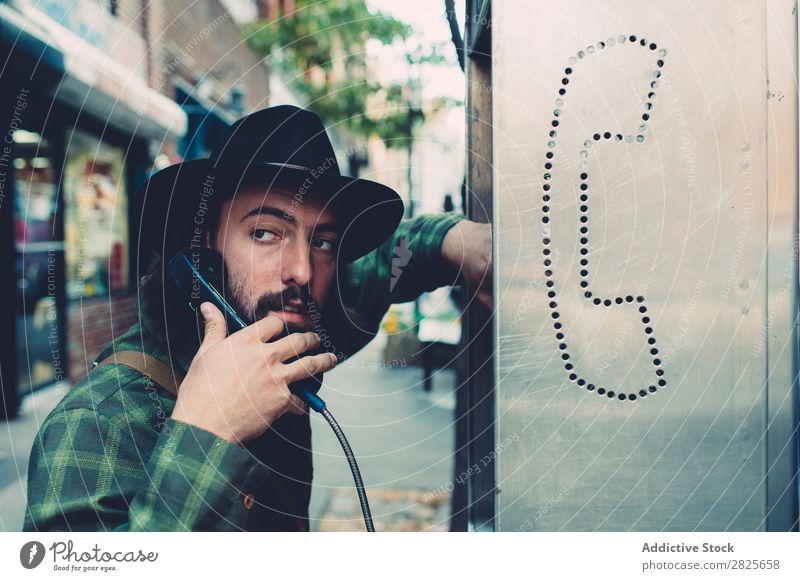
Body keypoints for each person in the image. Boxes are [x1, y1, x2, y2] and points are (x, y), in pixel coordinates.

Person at [23, 105, 491, 532]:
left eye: (322, 241)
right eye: (266, 233)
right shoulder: (100, 423)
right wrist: (209, 431)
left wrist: (456, 241)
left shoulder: (294, 335)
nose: (303, 271)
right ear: (201, 252)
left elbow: (389, 260)